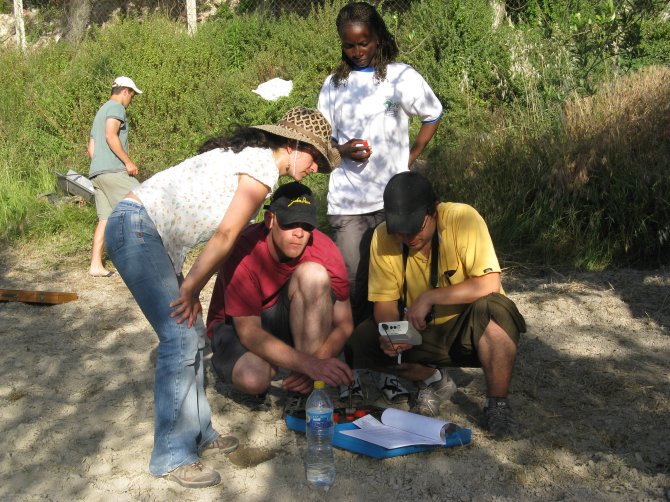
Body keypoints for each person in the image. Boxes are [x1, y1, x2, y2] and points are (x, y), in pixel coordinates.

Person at [104, 108, 340, 488]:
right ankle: (172, 454)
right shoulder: (261, 168)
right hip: (137, 228)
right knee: (179, 336)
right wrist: (191, 286)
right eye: (315, 157)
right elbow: (226, 236)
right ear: (295, 146)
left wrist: (191, 283)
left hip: (152, 236)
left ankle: (199, 431)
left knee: (191, 332)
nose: (315, 167)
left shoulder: (251, 158)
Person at [317, 1, 443, 404]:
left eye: (364, 43)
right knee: (353, 289)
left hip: (393, 207)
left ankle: (391, 369)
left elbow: (432, 115)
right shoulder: (333, 85)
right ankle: (352, 368)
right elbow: (321, 144)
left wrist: (409, 160)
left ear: (378, 37)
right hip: (348, 205)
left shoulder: (401, 78)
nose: (358, 52)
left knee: (392, 293)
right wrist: (342, 149)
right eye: (350, 46)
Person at [347, 171, 526, 439]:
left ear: (435, 210)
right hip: (421, 333)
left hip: (468, 330)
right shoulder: (384, 236)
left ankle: (497, 404)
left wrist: (429, 297)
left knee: (496, 309)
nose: (407, 237)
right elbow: (384, 305)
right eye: (400, 230)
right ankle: (432, 380)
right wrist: (391, 335)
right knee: (365, 340)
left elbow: (489, 283)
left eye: (415, 228)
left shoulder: (463, 218)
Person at [206, 182, 354, 409]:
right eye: (290, 224)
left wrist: (315, 363)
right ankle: (270, 365)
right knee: (253, 378)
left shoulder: (324, 248)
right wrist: (311, 365)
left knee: (313, 274)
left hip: (285, 317)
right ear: (270, 220)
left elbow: (344, 324)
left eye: (306, 225)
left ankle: (304, 391)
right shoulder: (243, 249)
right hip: (239, 323)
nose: (299, 233)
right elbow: (249, 333)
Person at [88, 76, 142, 277]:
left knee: (105, 218)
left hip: (97, 172)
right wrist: (127, 162)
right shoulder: (116, 108)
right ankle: (141, 261)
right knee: (142, 205)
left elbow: (91, 148)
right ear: (125, 91)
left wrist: (100, 168)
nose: (132, 99)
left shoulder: (100, 111)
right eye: (133, 95)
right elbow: (111, 135)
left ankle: (95, 265)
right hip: (113, 170)